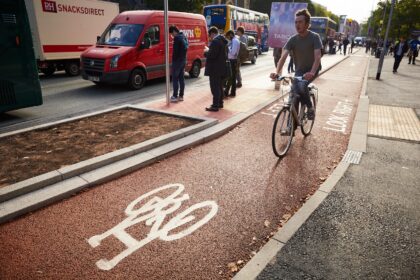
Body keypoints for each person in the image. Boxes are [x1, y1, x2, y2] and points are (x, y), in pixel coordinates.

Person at [270, 8, 322, 121]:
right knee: (293, 95)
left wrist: (312, 72)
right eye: (296, 22)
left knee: (302, 85)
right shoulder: (293, 39)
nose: (297, 25)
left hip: (313, 69)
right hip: (299, 70)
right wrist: (277, 72)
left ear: (307, 24)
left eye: (300, 22)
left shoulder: (315, 37)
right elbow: (283, 57)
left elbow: (317, 57)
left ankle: (310, 107)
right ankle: (291, 126)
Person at [204, 26, 228, 112]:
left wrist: (206, 51)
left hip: (214, 68)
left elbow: (212, 55)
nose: (210, 37)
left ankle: (215, 105)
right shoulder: (222, 40)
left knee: (215, 87)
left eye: (210, 35)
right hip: (221, 67)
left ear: (212, 33)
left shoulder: (215, 42)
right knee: (220, 86)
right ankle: (220, 103)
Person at [169, 25, 188, 102]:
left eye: (171, 33)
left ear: (174, 31)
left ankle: (174, 96)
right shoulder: (183, 36)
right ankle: (181, 96)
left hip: (177, 61)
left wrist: (173, 61)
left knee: (175, 79)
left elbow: (175, 52)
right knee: (181, 79)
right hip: (183, 60)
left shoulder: (177, 38)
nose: (171, 35)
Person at [224, 30, 240, 97]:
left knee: (232, 78)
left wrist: (228, 48)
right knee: (232, 78)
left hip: (233, 61)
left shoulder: (235, 41)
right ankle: (231, 92)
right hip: (232, 60)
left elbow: (233, 53)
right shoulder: (234, 40)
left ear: (230, 34)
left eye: (228, 36)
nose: (228, 38)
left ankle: (232, 92)